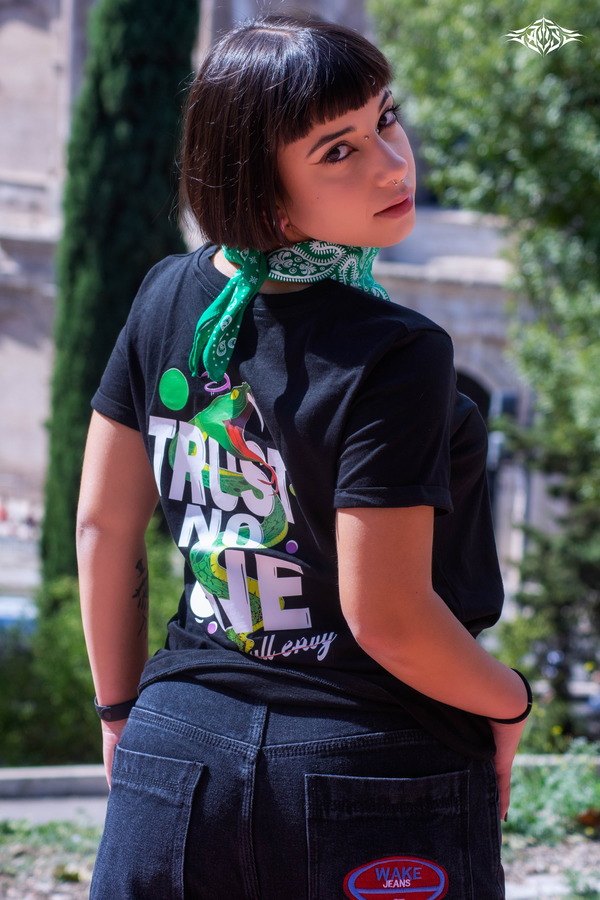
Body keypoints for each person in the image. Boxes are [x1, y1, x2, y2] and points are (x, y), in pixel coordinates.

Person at [76, 14, 532, 900]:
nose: (394, 164)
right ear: (263, 192)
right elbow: (387, 618)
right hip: (372, 759)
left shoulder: (165, 293)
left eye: (385, 119)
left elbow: (102, 526)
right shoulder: (397, 350)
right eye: (338, 151)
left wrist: (121, 711)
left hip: (177, 745)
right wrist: (508, 700)